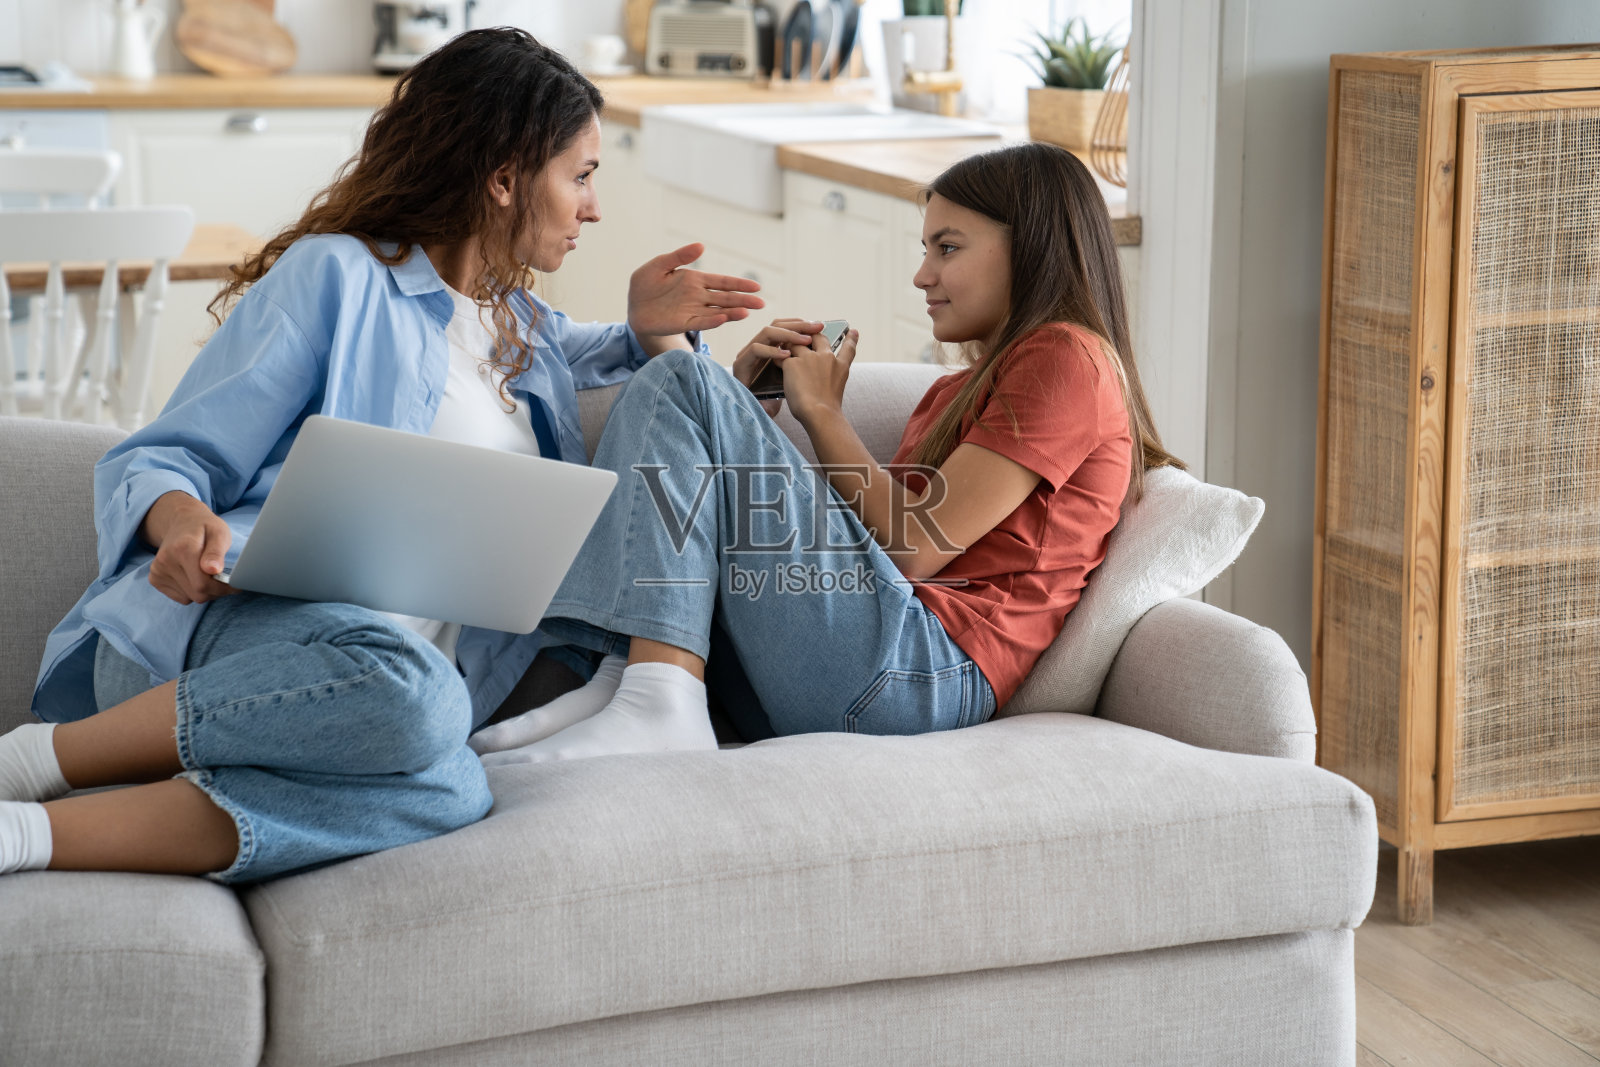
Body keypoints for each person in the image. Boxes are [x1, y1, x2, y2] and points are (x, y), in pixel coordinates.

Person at [0, 28, 764, 881]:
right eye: (580, 176)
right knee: (420, 693)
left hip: (371, 712)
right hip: (234, 639)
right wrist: (180, 522)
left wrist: (649, 326)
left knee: (454, 783)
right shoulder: (337, 277)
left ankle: (24, 835)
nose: (593, 208)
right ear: (505, 179)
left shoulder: (522, 329)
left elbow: (611, 351)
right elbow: (165, 455)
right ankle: (37, 758)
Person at [469, 142, 1182, 764]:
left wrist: (821, 412)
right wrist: (739, 412)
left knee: (685, 378)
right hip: (858, 666)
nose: (922, 275)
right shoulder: (953, 392)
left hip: (919, 675)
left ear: (1030, 247)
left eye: (948, 248)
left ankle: (654, 696)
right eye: (925, 249)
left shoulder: (1068, 358)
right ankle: (629, 679)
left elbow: (913, 550)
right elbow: (847, 543)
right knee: (684, 385)